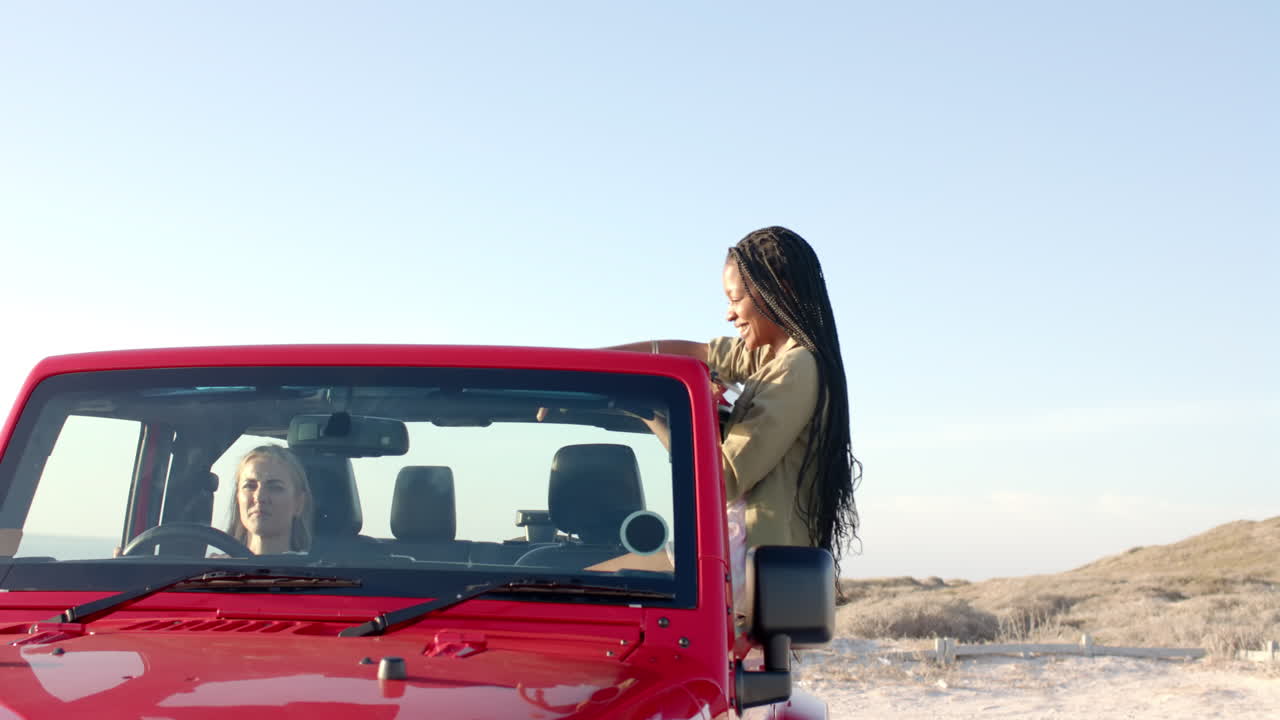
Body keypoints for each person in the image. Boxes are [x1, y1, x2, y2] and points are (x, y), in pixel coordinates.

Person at [606, 226, 861, 577]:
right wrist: (586, 365)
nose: (729, 314)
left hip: (751, 567)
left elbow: (723, 479)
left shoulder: (796, 368)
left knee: (596, 578)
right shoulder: (773, 358)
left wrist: (655, 417)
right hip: (743, 556)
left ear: (779, 289)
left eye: (735, 299)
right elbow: (701, 353)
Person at [225, 445, 313, 554]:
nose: (259, 497)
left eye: (275, 487)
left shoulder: (313, 570)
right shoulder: (215, 568)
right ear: (238, 497)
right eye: (250, 486)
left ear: (299, 503)